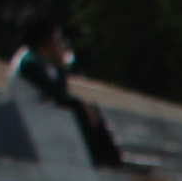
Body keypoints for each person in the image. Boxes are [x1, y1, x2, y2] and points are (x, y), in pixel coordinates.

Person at [8, 16, 120, 166]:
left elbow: (61, 94)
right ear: (46, 42)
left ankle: (111, 159)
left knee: (89, 108)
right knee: (77, 107)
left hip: (36, 112)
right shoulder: (30, 62)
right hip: (22, 115)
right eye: (57, 39)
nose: (61, 44)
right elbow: (59, 96)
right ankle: (99, 159)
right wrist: (61, 66)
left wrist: (60, 66)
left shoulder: (41, 63)